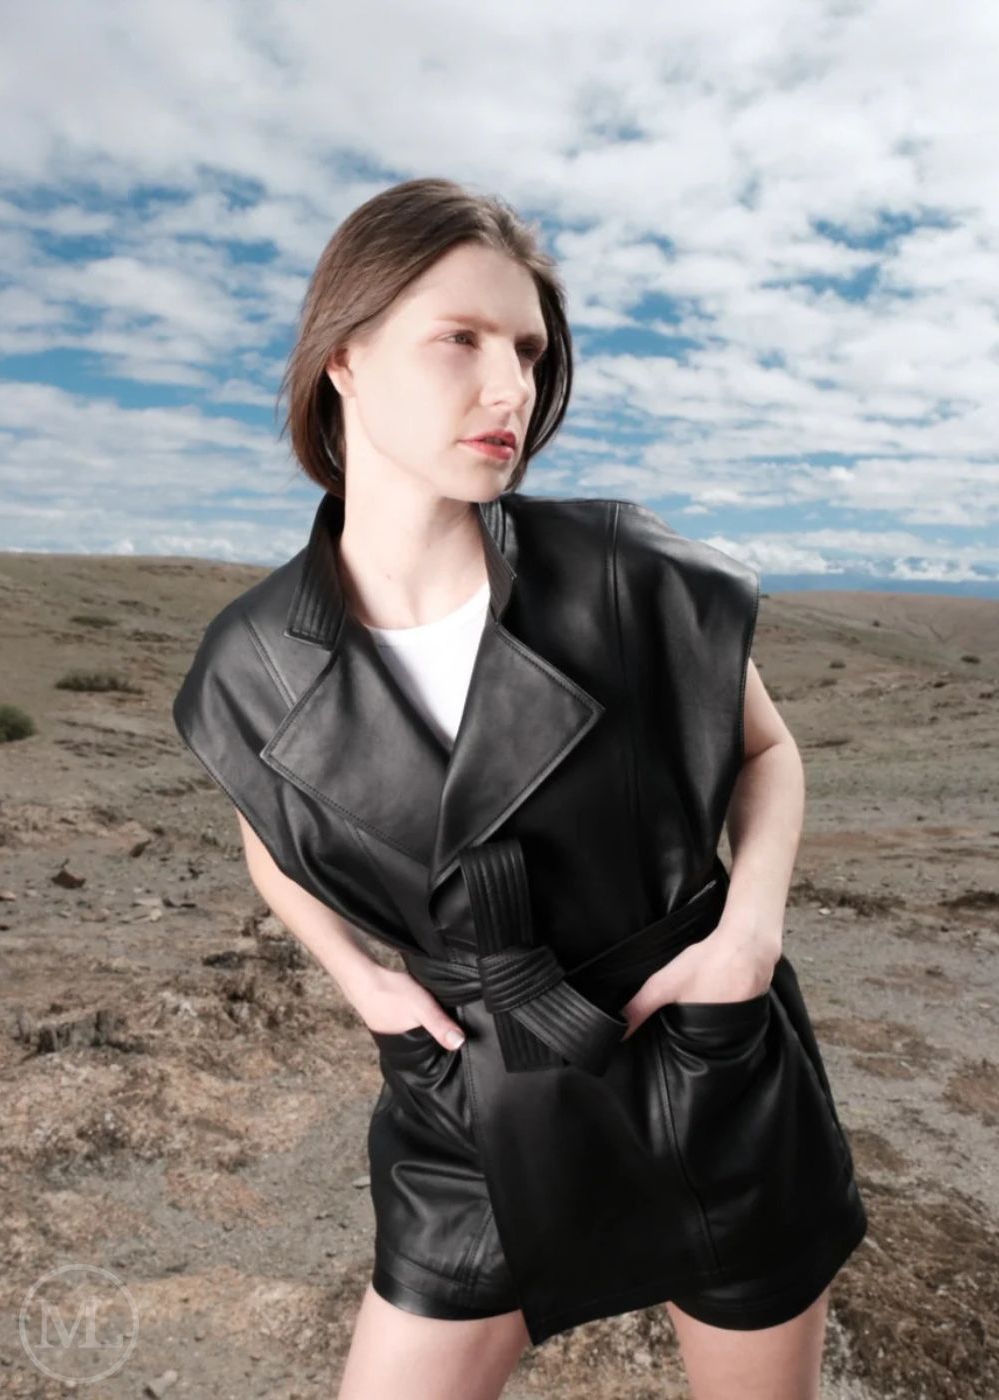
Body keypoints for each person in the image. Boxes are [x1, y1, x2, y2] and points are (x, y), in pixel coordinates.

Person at [172, 177, 868, 1400]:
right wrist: (361, 981)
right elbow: (270, 837)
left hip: (699, 1063)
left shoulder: (626, 570)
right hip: (464, 1105)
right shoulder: (251, 660)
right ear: (344, 355)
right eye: (462, 340)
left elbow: (767, 750)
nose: (513, 388)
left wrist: (746, 939)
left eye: (531, 350)